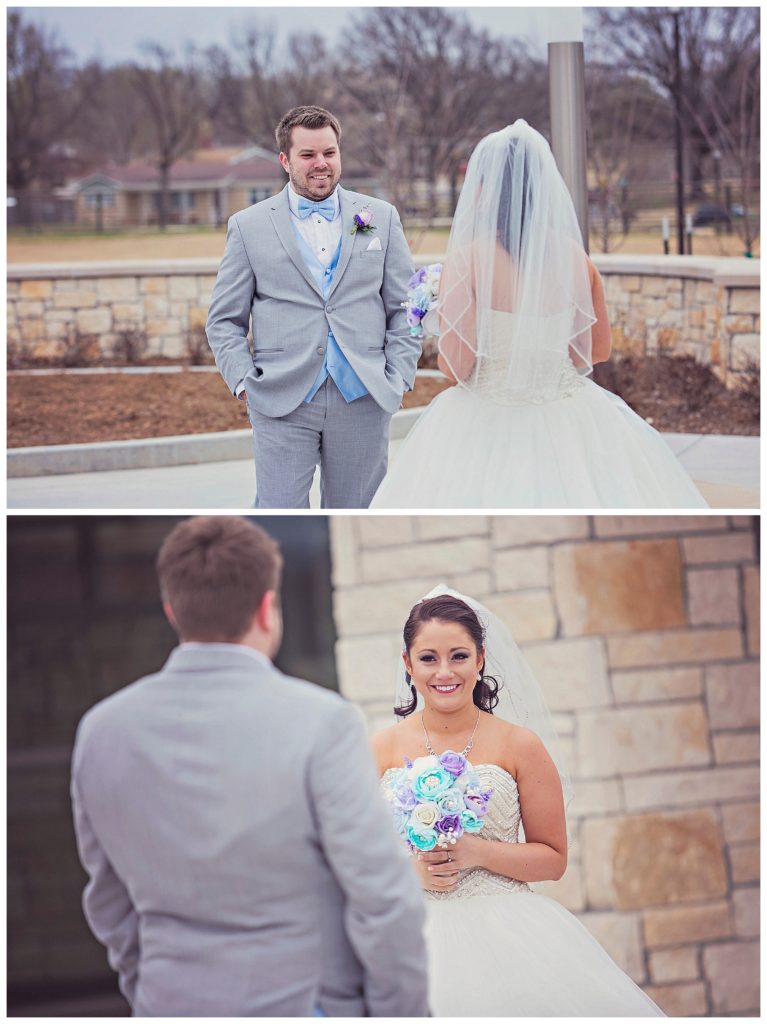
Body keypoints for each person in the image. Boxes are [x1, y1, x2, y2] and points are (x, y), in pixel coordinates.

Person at [70, 516, 429, 1017]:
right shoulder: (323, 722)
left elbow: (109, 905)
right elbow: (384, 899)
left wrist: (153, 991)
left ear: (173, 610)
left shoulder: (100, 731)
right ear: (267, 607)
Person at [371, 120, 707, 508]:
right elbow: (593, 353)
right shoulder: (577, 260)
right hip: (570, 415)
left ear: (487, 189)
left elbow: (455, 367)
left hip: (483, 417)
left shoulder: (467, 262)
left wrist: (438, 324)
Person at [371, 586, 665, 1016]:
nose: (444, 672)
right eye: (428, 658)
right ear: (407, 664)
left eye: (459, 655)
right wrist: (408, 872)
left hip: (509, 932)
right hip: (409, 934)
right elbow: (355, 856)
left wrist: (475, 852)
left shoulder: (519, 744)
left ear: (481, 658)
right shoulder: (380, 748)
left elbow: (554, 858)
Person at [206, 106, 420, 509]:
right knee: (280, 512)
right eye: (307, 155)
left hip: (363, 395)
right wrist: (243, 382)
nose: (321, 163)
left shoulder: (378, 217)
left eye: (330, 152)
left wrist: (399, 374)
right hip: (281, 398)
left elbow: (404, 304)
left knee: (359, 515)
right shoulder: (248, 226)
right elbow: (223, 321)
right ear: (285, 160)